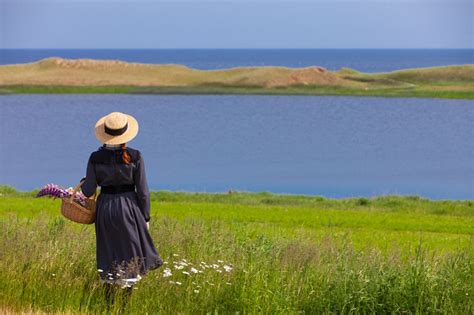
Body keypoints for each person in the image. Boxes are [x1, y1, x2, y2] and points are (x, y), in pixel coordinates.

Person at [80, 111, 164, 310]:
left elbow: (89, 190)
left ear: (105, 133)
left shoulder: (95, 157)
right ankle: (124, 307)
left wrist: (84, 183)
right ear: (125, 133)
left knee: (108, 253)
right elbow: (143, 191)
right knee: (130, 255)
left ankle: (108, 306)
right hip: (129, 208)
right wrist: (145, 216)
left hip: (105, 209)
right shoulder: (135, 156)